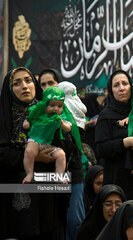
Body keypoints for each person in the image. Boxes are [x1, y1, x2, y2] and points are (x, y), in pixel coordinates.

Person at [0, 67, 68, 239]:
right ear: (9, 90)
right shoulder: (4, 118)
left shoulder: (50, 112)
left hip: (48, 194)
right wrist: (35, 156)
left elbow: (67, 148)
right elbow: (3, 154)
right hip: (15, 194)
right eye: (17, 83)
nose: (25, 86)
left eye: (29, 81)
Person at [95, 70, 133, 214]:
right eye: (116, 85)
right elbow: (100, 149)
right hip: (119, 185)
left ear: (132, 86)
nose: (121, 88)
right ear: (111, 90)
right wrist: (127, 142)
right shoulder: (106, 116)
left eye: (125, 83)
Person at [39, 68, 85, 240]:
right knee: (55, 221)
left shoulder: (71, 107)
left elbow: (75, 144)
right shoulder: (38, 111)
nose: (46, 87)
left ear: (59, 84)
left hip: (73, 173)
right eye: (42, 84)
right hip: (48, 175)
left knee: (75, 221)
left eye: (50, 83)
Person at [22, 87, 71, 184]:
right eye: (52, 105)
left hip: (49, 144)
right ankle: (29, 174)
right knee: (29, 152)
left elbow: (68, 128)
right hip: (35, 140)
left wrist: (61, 123)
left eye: (59, 106)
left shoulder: (60, 117)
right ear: (45, 104)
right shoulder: (38, 111)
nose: (56, 109)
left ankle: (59, 176)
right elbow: (29, 119)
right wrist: (27, 122)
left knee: (61, 154)